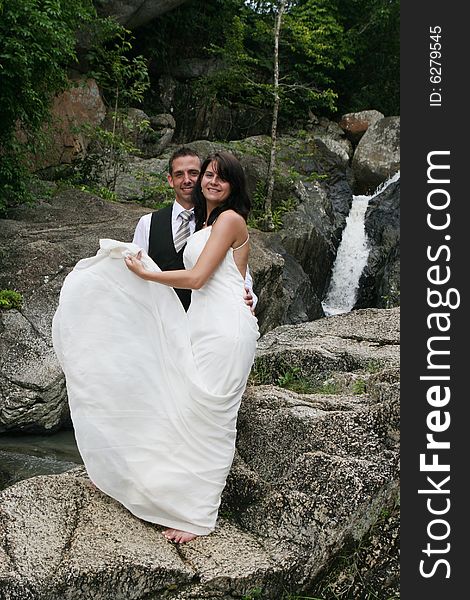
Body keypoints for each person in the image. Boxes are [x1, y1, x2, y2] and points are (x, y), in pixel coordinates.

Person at [52, 151, 259, 545]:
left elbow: (199, 278)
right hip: (202, 325)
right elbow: (236, 276)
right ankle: (154, 489)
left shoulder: (230, 219)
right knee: (183, 407)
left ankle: (200, 516)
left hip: (223, 329)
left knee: (211, 416)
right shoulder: (209, 221)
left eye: (220, 177)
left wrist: (149, 274)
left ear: (233, 185)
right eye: (208, 176)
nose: (210, 182)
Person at [132, 146, 257, 312]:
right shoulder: (147, 223)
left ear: (201, 177)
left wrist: (249, 296)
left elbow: (236, 268)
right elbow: (135, 270)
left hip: (206, 315)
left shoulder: (221, 221)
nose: (187, 180)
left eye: (193, 173)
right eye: (179, 174)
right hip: (159, 318)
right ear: (170, 180)